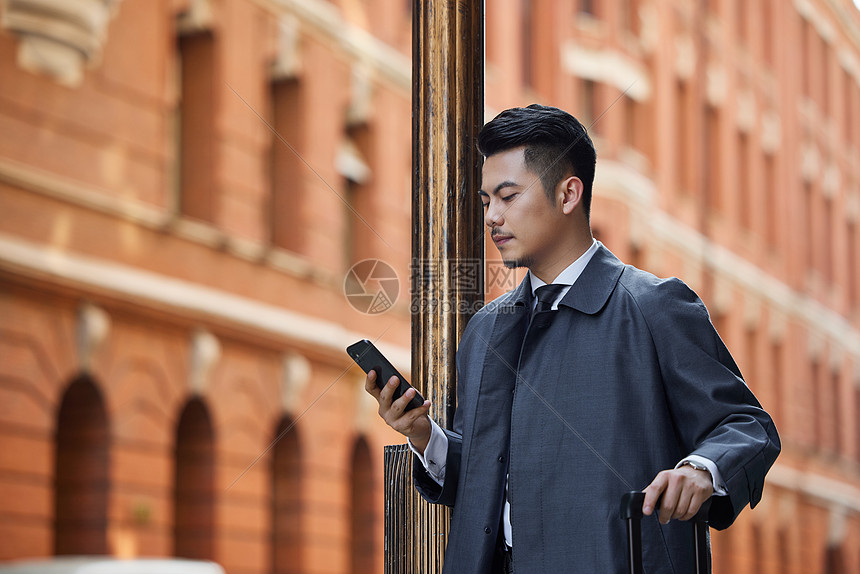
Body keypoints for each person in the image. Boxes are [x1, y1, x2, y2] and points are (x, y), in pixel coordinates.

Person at [365, 104, 780, 573]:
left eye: (508, 196)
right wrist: (426, 438)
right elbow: (494, 478)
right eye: (486, 202)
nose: (492, 218)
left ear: (568, 194)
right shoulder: (484, 330)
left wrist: (701, 469)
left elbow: (749, 426)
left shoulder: (653, 306)